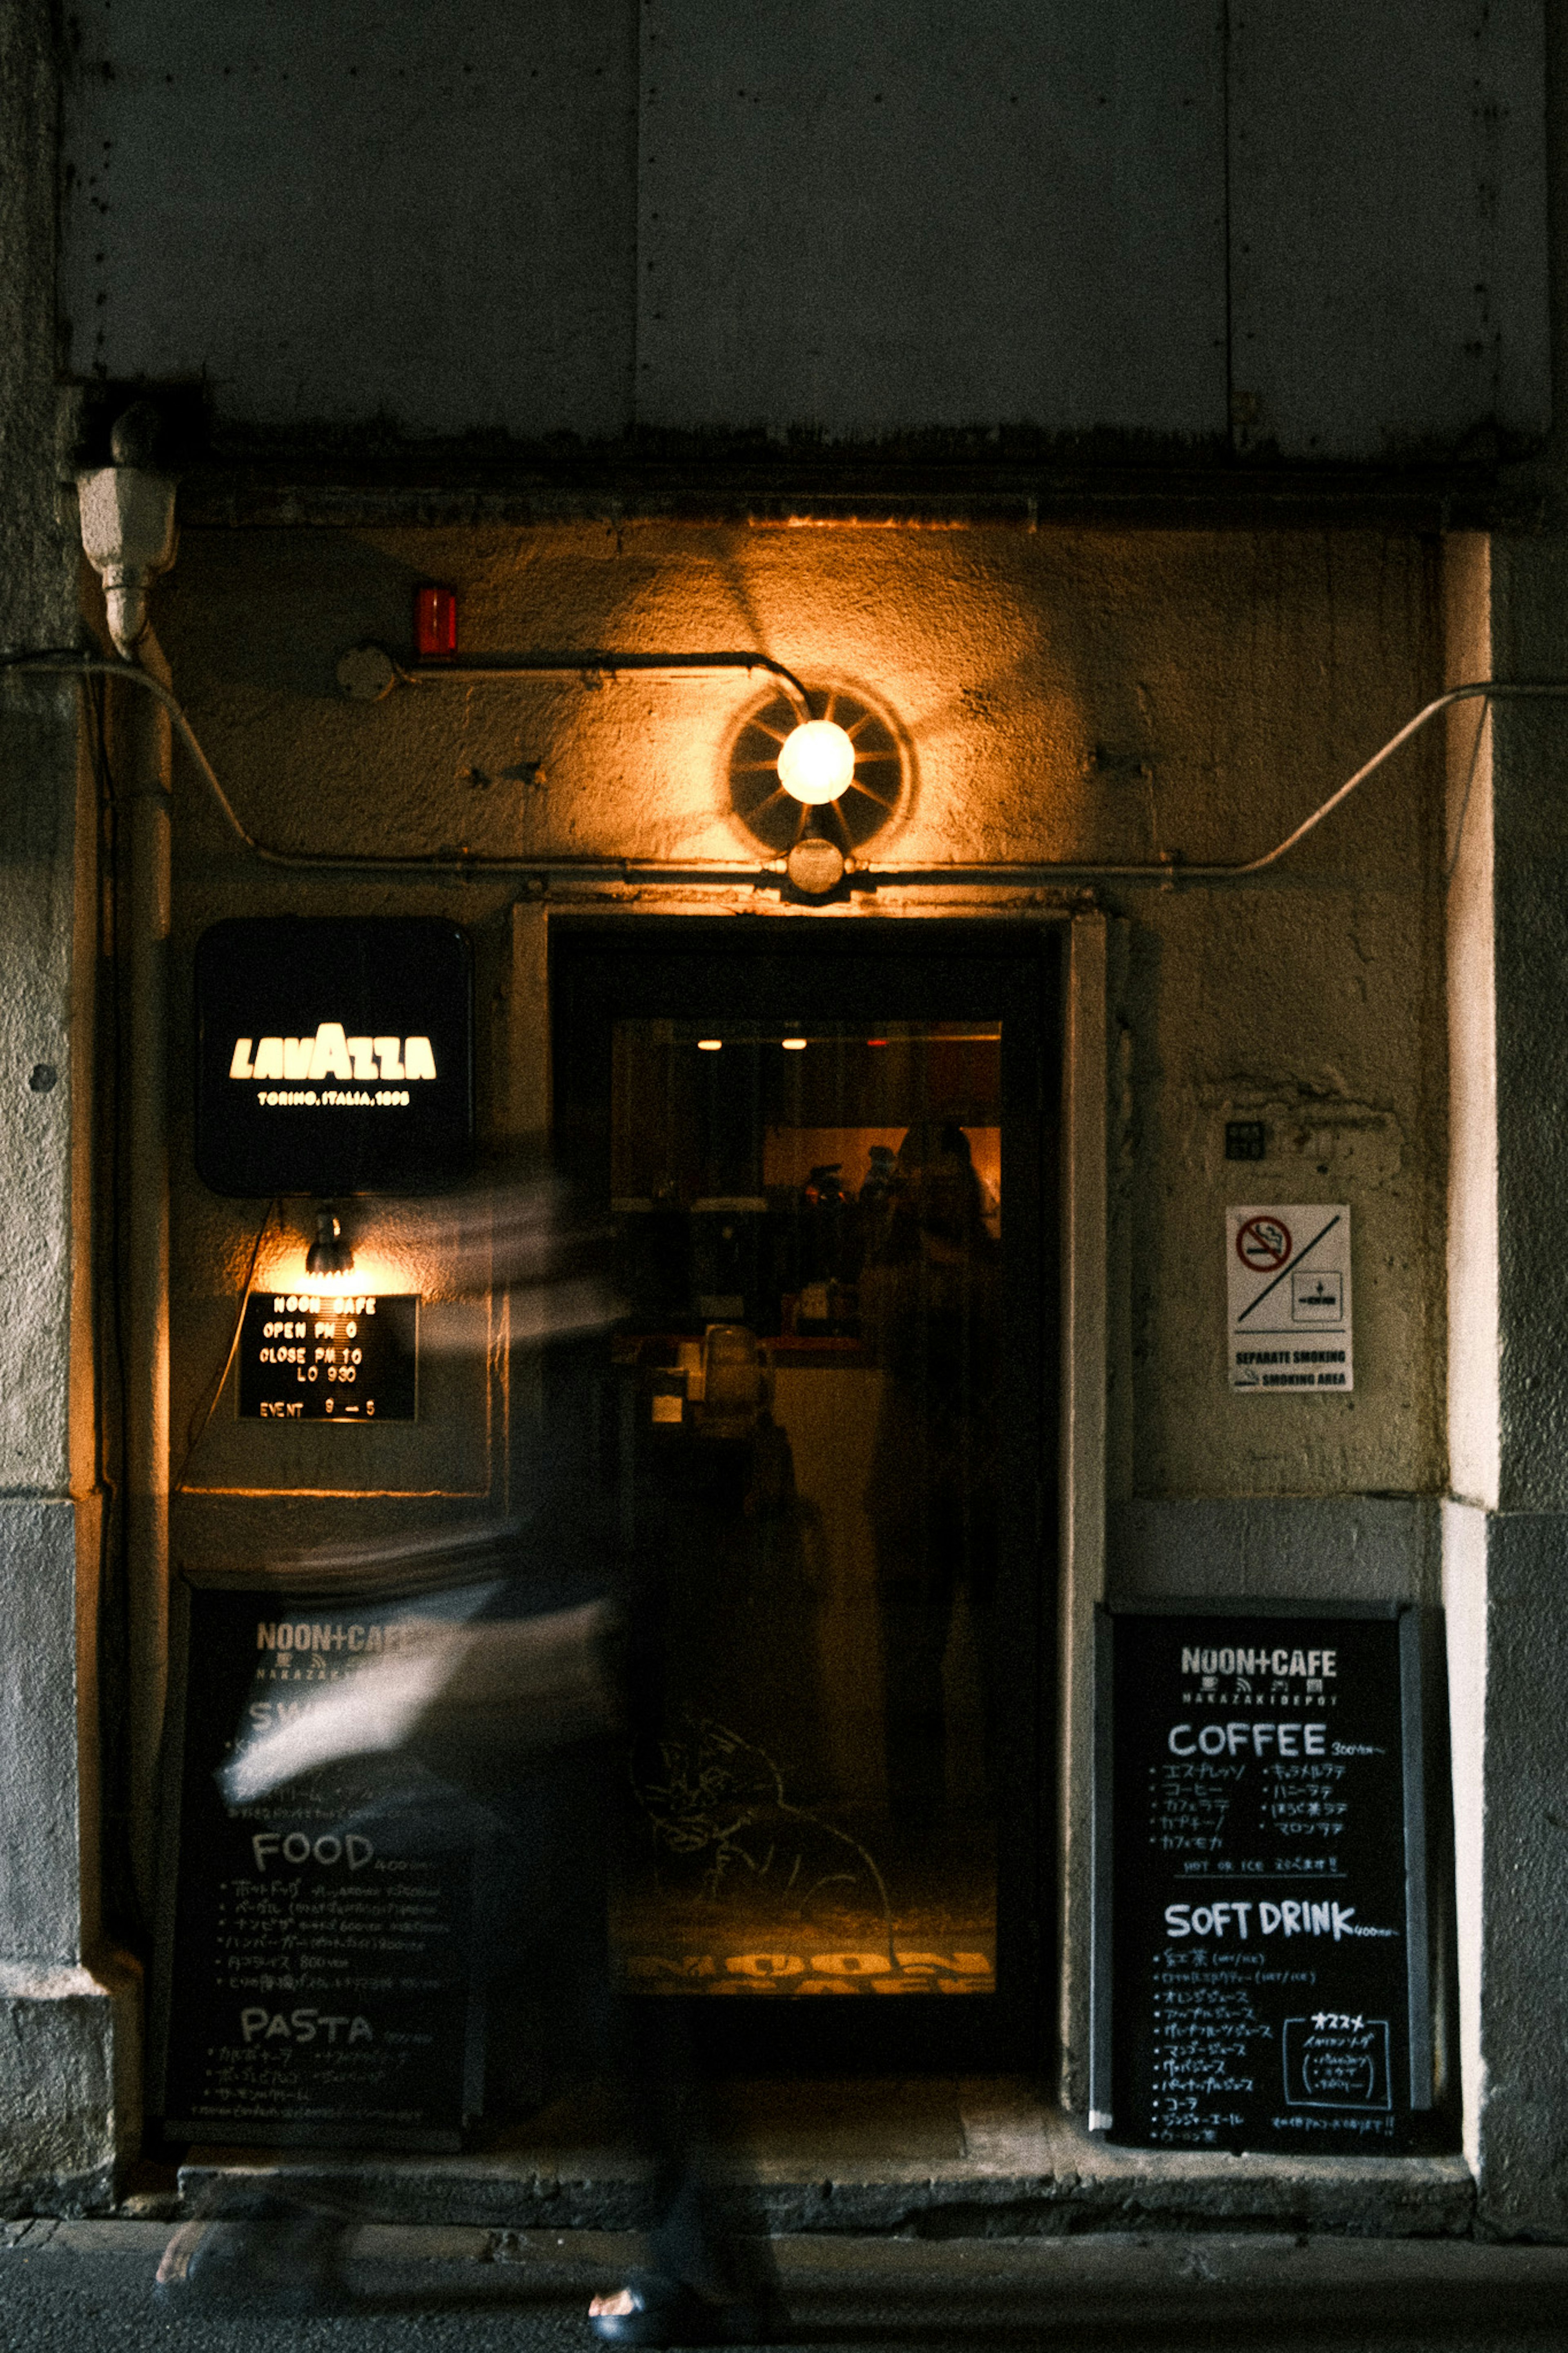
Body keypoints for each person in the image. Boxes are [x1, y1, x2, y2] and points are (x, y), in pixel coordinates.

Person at [154, 1175, 783, 2349]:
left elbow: (592, 1615)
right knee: (562, 2007)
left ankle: (297, 2228)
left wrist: (375, 1697)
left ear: (540, 1253)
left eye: (482, 1233)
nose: (453, 1255)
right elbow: (537, 1563)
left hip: (561, 1761)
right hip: (540, 1764)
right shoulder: (557, 1394)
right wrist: (398, 1605)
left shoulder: (592, 1405)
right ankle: (703, 2268)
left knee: (522, 1998)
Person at [859, 1121, 1002, 1853]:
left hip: (975, 1485)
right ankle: (916, 1821)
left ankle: (1006, 1813)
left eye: (951, 1179)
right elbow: (884, 1329)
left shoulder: (989, 1261)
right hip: (923, 1487)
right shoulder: (917, 1260)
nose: (942, 1193)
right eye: (928, 1181)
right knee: (912, 1666)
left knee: (1002, 1661)